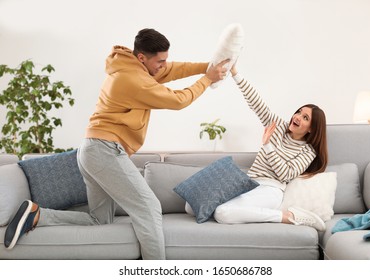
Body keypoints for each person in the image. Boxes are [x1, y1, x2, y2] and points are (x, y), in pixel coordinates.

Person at [4, 28, 229, 259]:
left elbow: (171, 69)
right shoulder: (133, 80)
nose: (164, 65)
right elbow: (178, 100)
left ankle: (38, 214)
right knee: (150, 207)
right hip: (104, 151)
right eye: (160, 61)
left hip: (93, 150)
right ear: (142, 58)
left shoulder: (132, 67)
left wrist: (206, 66)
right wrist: (207, 79)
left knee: (100, 219)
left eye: (165, 59)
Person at [213, 64, 328, 231]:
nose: (297, 117)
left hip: (270, 190)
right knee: (191, 206)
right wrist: (236, 74)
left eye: (305, 117)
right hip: (249, 184)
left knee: (222, 213)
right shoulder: (279, 126)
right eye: (299, 112)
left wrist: (267, 145)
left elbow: (285, 174)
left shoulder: (308, 151)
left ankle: (287, 217)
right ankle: (265, 214)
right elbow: (258, 104)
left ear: (311, 128)